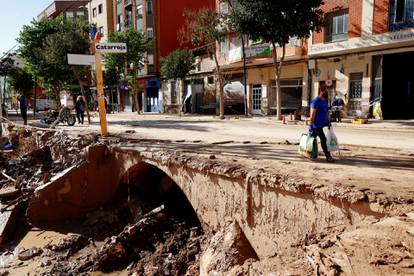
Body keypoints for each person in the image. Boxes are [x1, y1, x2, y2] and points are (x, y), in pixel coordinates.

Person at [308, 89, 333, 162]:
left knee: (312, 139)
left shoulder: (324, 102)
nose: (324, 99)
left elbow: (326, 112)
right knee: (323, 139)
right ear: (321, 95)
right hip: (315, 125)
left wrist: (328, 121)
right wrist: (310, 124)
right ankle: (328, 156)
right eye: (324, 97)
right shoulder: (315, 101)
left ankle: (311, 153)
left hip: (321, 124)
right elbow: (313, 113)